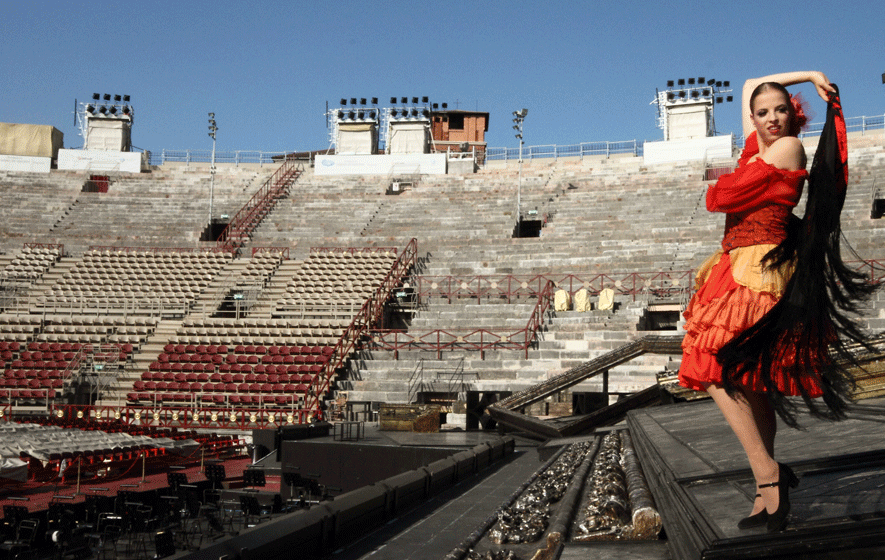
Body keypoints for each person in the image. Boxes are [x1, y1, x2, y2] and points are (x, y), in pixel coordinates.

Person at [678, 71, 876, 533]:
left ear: (794, 114)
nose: (771, 118)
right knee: (748, 379)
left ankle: (768, 475)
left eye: (781, 110)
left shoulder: (787, 149)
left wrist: (722, 184)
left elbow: (721, 197)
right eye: (763, 113)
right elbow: (751, 83)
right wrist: (810, 74)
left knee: (714, 363)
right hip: (736, 263)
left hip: (762, 269)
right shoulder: (757, 147)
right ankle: (765, 485)